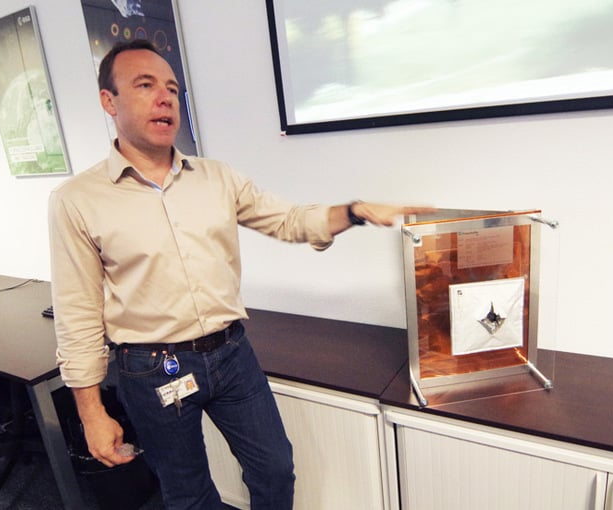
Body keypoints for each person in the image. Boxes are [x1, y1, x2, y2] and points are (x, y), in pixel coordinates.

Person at [48, 39, 430, 510]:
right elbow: (77, 310)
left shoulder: (217, 177)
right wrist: (91, 413)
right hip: (151, 368)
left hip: (230, 353)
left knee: (274, 468)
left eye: (171, 87)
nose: (164, 97)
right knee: (189, 494)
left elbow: (288, 220)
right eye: (144, 86)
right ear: (109, 101)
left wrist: (355, 211)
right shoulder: (78, 199)